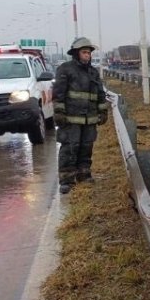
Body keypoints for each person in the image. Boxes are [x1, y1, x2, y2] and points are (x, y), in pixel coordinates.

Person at [52, 37, 109, 194]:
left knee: (86, 147)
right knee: (70, 148)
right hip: (70, 119)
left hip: (89, 119)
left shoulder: (93, 72)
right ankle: (67, 180)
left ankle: (84, 175)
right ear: (76, 53)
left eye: (89, 53)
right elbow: (58, 94)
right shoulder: (65, 69)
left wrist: (103, 111)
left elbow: (100, 94)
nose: (87, 55)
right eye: (84, 52)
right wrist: (59, 113)